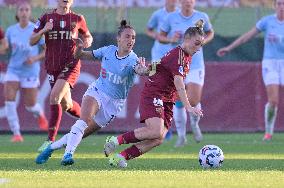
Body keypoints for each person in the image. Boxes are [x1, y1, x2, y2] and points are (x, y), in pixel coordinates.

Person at [35, 20, 149, 165]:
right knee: (83, 121)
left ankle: (51, 148)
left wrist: (145, 70)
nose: (131, 40)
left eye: (133, 37)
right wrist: (79, 48)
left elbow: (141, 70)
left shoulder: (133, 59)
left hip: (114, 104)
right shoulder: (108, 51)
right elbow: (80, 55)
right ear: (118, 38)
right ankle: (68, 155)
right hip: (97, 91)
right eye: (127, 36)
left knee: (80, 134)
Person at [103, 21, 204, 168]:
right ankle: (114, 141)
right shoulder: (179, 56)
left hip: (167, 99)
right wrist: (188, 106)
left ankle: (119, 157)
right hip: (154, 93)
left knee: (159, 138)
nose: (198, 48)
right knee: (155, 130)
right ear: (186, 39)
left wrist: (146, 69)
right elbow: (179, 83)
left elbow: (159, 66)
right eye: (196, 43)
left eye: (201, 45)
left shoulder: (185, 55)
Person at [30, 0, 93, 151]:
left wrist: (85, 43)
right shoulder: (45, 18)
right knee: (67, 105)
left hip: (71, 65)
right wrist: (43, 30)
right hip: (52, 66)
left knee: (54, 97)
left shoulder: (78, 19)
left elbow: (88, 37)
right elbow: (32, 41)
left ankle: (50, 141)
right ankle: (88, 120)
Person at [217, 0, 284, 141]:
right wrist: (229, 47)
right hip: (270, 63)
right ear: (275, 6)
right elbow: (248, 35)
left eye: (283, 4)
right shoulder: (267, 21)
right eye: (279, 3)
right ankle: (269, 132)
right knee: (273, 101)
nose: (281, 7)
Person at [158, 0, 214, 147]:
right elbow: (160, 36)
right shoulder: (171, 18)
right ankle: (182, 136)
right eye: (185, 0)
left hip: (195, 65)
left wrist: (203, 41)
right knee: (178, 101)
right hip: (177, 63)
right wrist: (170, 39)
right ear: (180, 2)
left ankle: (195, 124)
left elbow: (210, 33)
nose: (188, 2)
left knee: (194, 100)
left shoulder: (202, 16)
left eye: (190, 0)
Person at [2, 2, 48, 142]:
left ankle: (39, 114)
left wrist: (34, 58)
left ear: (29, 13)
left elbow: (47, 50)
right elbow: (5, 48)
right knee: (9, 99)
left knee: (31, 105)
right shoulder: (10, 30)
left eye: (26, 10)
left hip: (30, 71)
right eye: (21, 10)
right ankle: (16, 133)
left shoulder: (35, 30)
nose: (23, 12)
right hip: (13, 69)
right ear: (17, 13)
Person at [145, 0, 179, 141]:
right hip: (157, 56)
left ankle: (166, 126)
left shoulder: (179, 15)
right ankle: (154, 125)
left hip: (174, 58)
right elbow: (148, 29)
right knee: (155, 90)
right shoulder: (158, 14)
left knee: (171, 92)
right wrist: (157, 37)